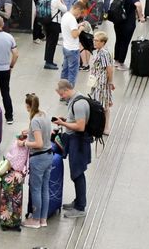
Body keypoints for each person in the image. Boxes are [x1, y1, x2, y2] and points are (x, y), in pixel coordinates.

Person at [53, 80, 92, 218]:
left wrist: (63, 123)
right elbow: (76, 121)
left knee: (78, 173)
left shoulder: (79, 104)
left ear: (66, 90)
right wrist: (67, 120)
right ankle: (78, 202)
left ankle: (80, 207)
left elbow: (80, 127)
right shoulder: (74, 100)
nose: (62, 97)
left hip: (79, 142)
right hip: (75, 141)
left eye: (62, 94)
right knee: (76, 173)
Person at [19, 93, 55, 229]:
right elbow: (46, 134)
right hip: (48, 156)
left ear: (28, 106)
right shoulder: (44, 115)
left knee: (35, 189)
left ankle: (35, 220)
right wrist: (29, 132)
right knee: (45, 188)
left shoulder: (34, 120)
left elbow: (38, 143)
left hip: (38, 158)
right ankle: (43, 219)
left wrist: (25, 143)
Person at [112, 0, 144, 70]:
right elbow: (138, 4)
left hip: (118, 20)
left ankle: (116, 60)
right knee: (125, 42)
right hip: (128, 22)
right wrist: (141, 16)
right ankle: (121, 63)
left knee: (118, 40)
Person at [88, 31, 115, 135]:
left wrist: (110, 82)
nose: (94, 42)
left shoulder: (104, 53)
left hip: (102, 83)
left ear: (103, 42)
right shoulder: (99, 52)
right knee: (100, 103)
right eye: (94, 40)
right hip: (96, 81)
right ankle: (101, 125)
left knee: (104, 105)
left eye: (97, 41)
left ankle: (105, 127)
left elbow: (109, 68)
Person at [60, 1, 89, 89]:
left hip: (66, 47)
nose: (80, 15)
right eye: (80, 12)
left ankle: (62, 93)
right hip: (73, 49)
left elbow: (70, 28)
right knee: (72, 74)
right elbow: (74, 35)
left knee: (65, 72)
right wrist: (80, 28)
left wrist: (78, 25)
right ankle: (69, 95)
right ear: (76, 9)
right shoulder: (72, 19)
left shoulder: (65, 15)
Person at [43, 0, 67, 71]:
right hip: (54, 23)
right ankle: (48, 63)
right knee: (52, 43)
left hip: (47, 22)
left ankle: (48, 60)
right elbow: (64, 9)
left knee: (49, 42)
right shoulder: (57, 0)